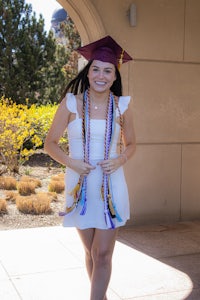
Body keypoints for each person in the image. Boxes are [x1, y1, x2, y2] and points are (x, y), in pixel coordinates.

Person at [44, 35, 136, 300]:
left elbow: (132, 144)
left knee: (103, 253)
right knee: (90, 253)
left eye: (107, 70)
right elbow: (50, 143)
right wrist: (71, 162)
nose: (101, 75)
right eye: (96, 68)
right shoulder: (71, 103)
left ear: (114, 75)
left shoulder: (122, 106)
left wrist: (120, 160)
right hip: (79, 187)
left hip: (111, 186)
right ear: (88, 71)